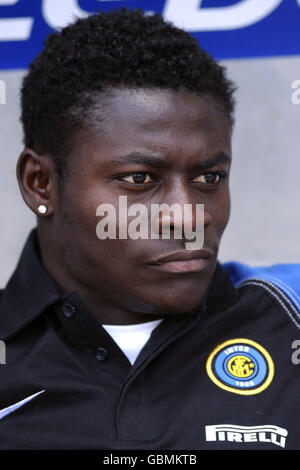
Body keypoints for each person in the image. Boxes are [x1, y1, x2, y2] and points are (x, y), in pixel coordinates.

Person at [0, 7, 299, 450]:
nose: (189, 216)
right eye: (140, 179)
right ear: (40, 184)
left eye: (209, 178)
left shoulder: (288, 320)